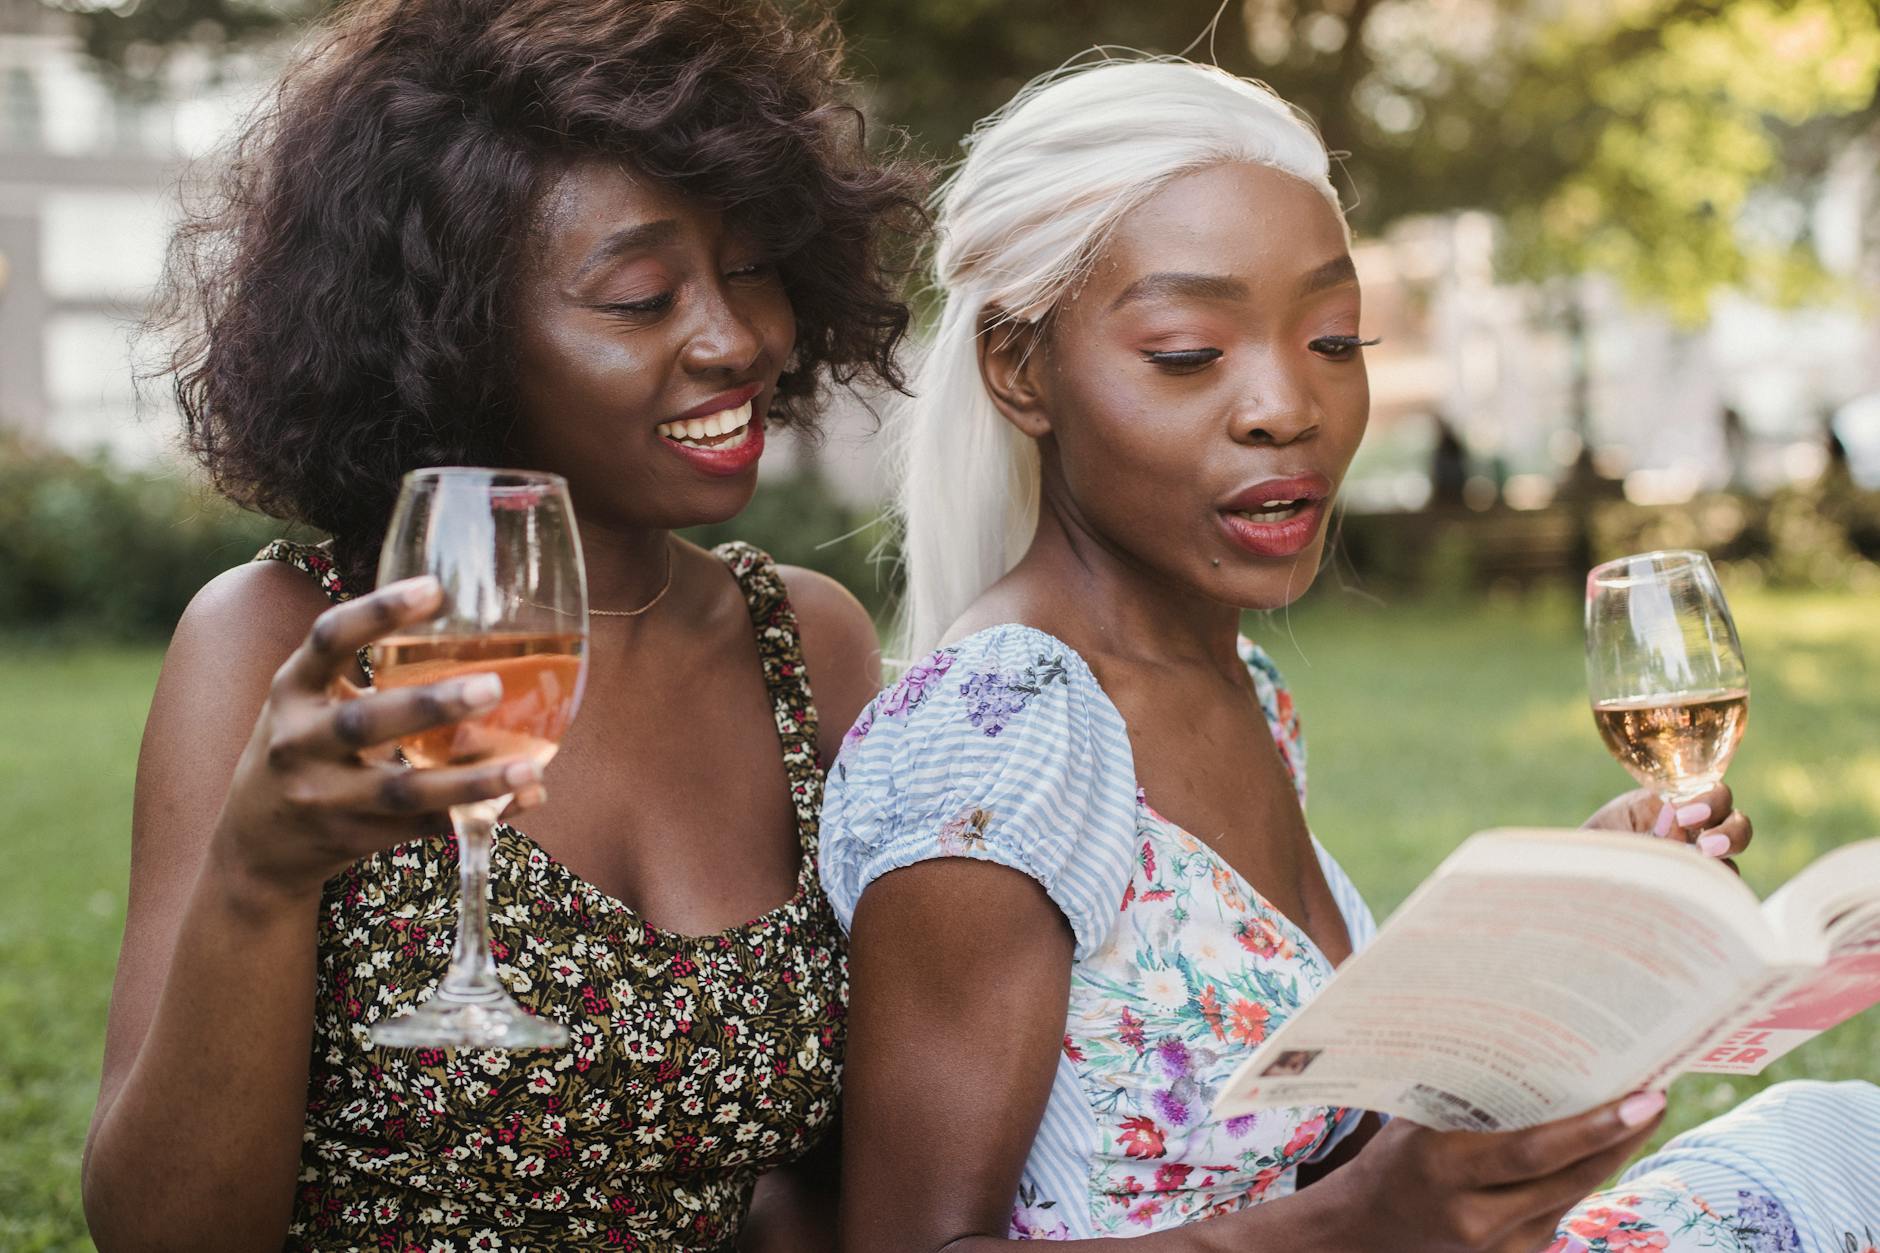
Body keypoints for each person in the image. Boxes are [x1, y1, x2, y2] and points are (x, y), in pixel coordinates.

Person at [821, 59, 1879, 1250]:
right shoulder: (992, 725)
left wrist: (1563, 948)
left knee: (1848, 1138)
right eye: (1186, 351)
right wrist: (1365, 1223)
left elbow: (1319, 1139)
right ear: (1021, 369)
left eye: (1333, 338)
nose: (1287, 405)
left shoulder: (1242, 693)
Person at [82, 1, 923, 1249]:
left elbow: (838, 1167)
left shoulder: (804, 641)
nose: (734, 337)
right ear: (455, 341)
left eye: (750, 267)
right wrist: (258, 876)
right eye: (641, 299)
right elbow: (165, 1232)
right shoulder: (281, 642)